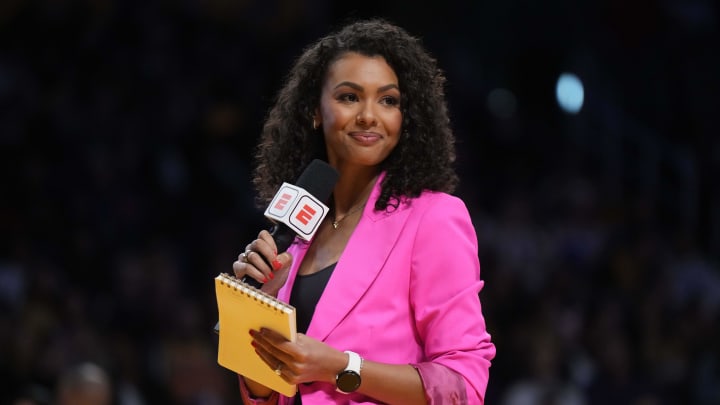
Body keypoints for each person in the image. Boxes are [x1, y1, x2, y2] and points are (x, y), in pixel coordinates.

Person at [232, 18, 495, 404]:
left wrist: (341, 367)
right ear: (315, 111)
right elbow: (269, 395)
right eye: (349, 97)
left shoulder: (434, 218)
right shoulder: (295, 231)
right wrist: (257, 311)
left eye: (388, 100)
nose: (369, 115)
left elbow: (463, 385)